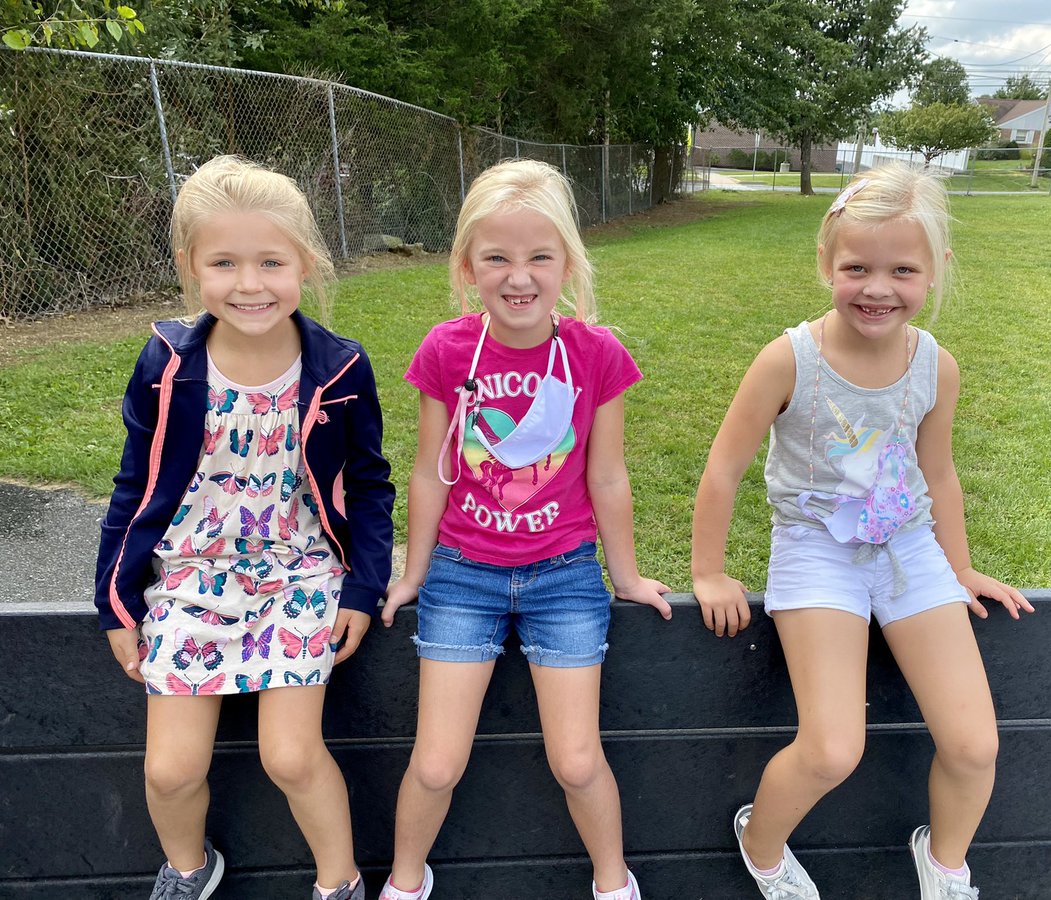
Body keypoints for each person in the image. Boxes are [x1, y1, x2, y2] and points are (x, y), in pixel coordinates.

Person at [691, 163, 1034, 900]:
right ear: (827, 264)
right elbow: (723, 470)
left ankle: (944, 867)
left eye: (903, 270)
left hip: (907, 550)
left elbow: (937, 475)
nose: (878, 288)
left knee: (975, 745)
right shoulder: (789, 360)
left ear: (934, 272)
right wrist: (710, 572)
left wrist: (959, 565)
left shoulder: (935, 366)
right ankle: (761, 843)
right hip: (818, 553)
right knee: (831, 750)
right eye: (858, 268)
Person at [95, 155, 395, 900]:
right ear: (189, 265)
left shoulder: (340, 368)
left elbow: (370, 484)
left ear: (305, 263)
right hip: (193, 578)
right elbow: (134, 484)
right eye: (224, 262)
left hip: (298, 573)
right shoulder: (167, 365)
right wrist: (116, 601)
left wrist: (363, 587)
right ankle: (188, 870)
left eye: (271, 261)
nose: (250, 284)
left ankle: (340, 881)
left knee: (291, 757)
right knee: (169, 769)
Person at [377, 158, 670, 900]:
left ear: (567, 262)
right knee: (437, 762)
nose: (519, 276)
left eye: (540, 256)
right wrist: (413, 571)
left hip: (565, 577)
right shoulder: (446, 351)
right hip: (462, 576)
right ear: (466, 266)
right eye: (497, 258)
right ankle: (406, 882)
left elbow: (606, 476)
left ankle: (614, 882)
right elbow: (430, 472)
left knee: (576, 760)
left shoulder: (595, 355)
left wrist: (626, 575)